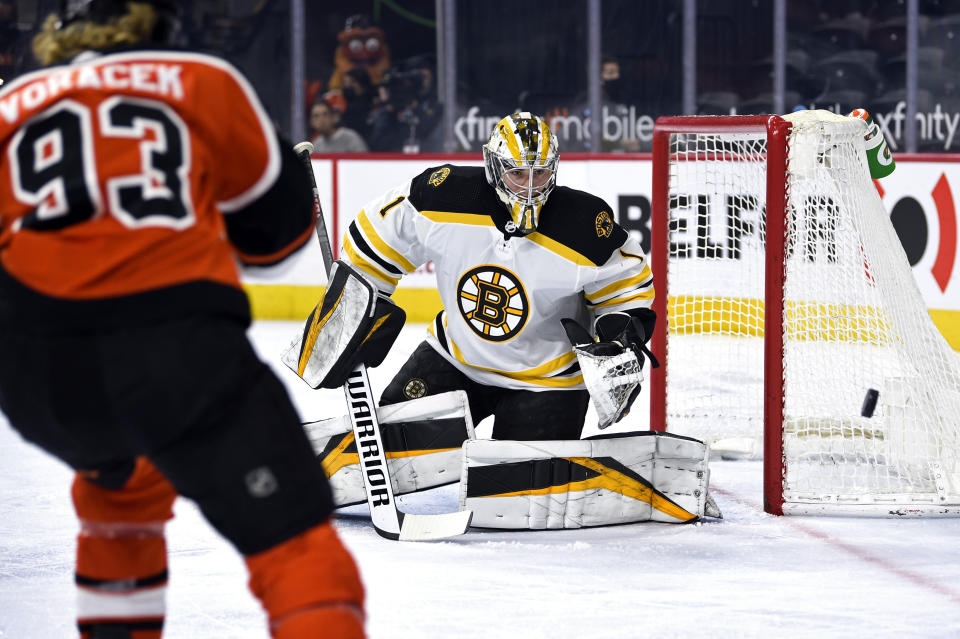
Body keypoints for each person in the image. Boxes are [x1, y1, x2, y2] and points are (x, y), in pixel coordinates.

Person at [0, 2, 364, 638]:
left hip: (36, 373)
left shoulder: (13, 102)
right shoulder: (200, 78)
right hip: (174, 351)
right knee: (298, 545)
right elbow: (274, 242)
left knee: (122, 493)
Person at [337, 112, 655, 440]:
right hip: (456, 359)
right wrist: (358, 303)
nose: (530, 187)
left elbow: (627, 287)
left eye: (540, 173)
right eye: (518, 173)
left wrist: (621, 339)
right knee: (393, 447)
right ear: (494, 166)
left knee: (521, 489)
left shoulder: (583, 224)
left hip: (548, 382)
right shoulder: (445, 195)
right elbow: (377, 235)